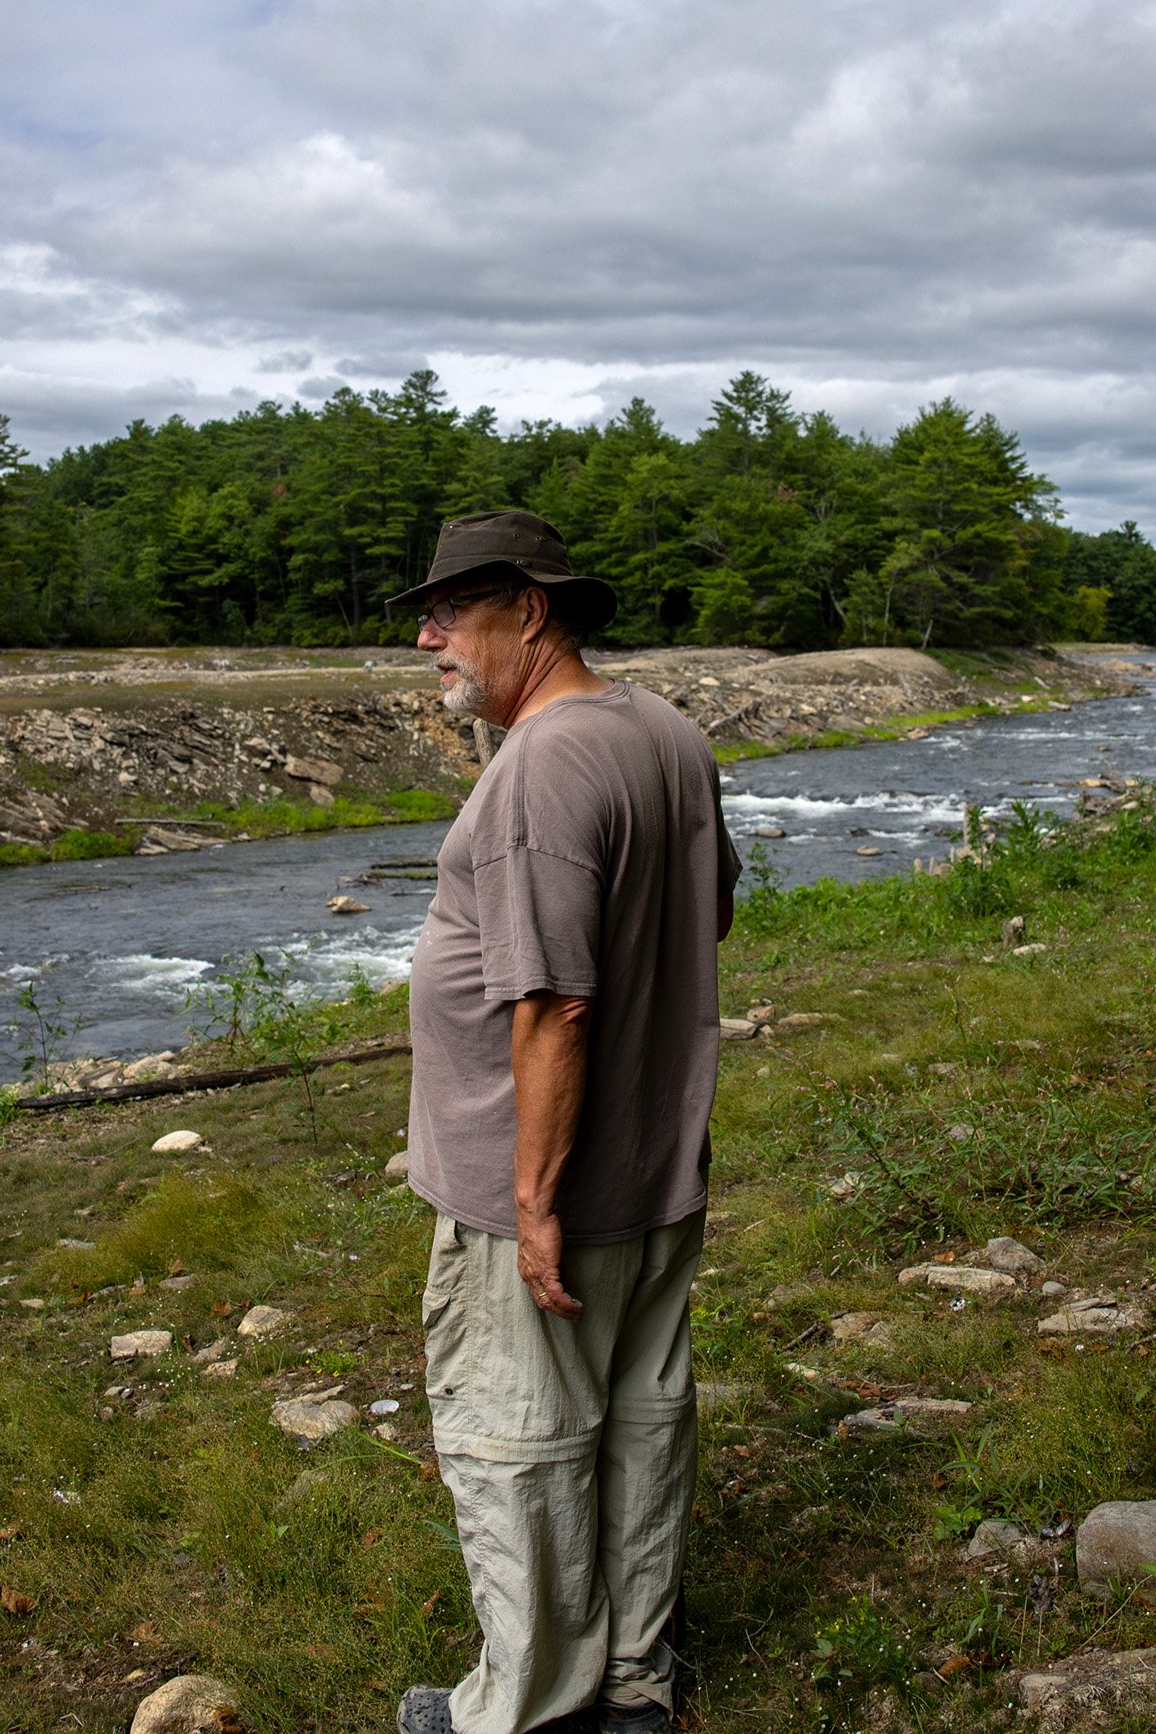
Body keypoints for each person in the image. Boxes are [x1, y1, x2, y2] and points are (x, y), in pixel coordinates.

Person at [388, 509, 739, 1734]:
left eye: (450, 612)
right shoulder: (666, 733)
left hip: (539, 1190)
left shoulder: (539, 766)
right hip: (658, 1168)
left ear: (527, 612)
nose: (428, 637)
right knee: (643, 1422)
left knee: (520, 1441)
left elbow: (556, 1004)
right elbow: (710, 916)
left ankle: (527, 1710)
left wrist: (534, 1203)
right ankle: (636, 1685)